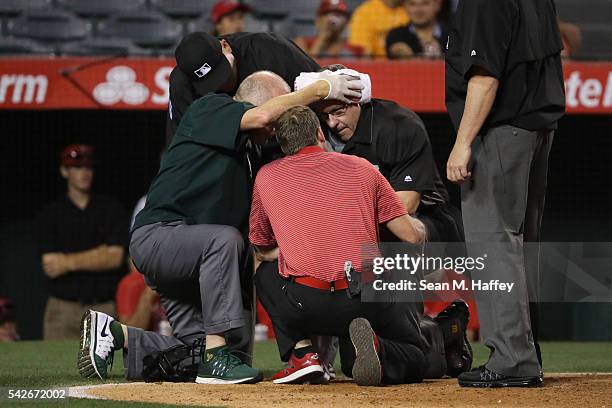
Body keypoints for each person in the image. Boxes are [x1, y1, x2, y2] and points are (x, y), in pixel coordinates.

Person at [77, 71, 364, 384]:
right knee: (224, 241)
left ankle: (117, 335)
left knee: (209, 354)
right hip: (159, 236)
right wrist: (323, 88)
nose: (275, 128)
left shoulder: (253, 154)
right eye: (276, 115)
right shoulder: (211, 107)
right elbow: (264, 114)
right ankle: (215, 356)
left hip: (196, 263)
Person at [250, 106, 471, 386]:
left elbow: (260, 247)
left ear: (282, 144)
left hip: (304, 304)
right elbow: (411, 236)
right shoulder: (361, 167)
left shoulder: (266, 176)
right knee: (410, 353)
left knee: (265, 272)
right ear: (319, 133)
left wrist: (294, 249)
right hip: (364, 297)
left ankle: (302, 353)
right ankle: (417, 339)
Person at [445, 0, 565, 387]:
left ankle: (513, 359)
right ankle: (525, 354)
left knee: (493, 244)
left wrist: (463, 142)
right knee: (517, 246)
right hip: (537, 128)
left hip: (501, 130)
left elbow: (485, 76)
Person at [166, 31, 320, 145]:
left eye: (223, 73)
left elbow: (320, 91)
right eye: (210, 83)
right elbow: (181, 143)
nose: (221, 84)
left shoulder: (269, 49)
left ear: (225, 46)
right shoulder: (182, 84)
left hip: (293, 141)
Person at [39, 144, 127, 340]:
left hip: (102, 307)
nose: (84, 173)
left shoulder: (110, 208)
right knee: (53, 369)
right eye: (77, 168)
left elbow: (114, 257)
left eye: (88, 167)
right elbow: (51, 265)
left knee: (106, 368)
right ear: (64, 171)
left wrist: (67, 262)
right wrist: (98, 254)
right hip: (63, 308)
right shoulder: (51, 213)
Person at [294, 0, 363, 58]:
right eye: (328, 13)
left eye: (339, 14)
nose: (333, 18)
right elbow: (305, 71)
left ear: (347, 22)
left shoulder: (355, 50)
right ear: (318, 20)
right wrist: (321, 40)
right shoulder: (302, 43)